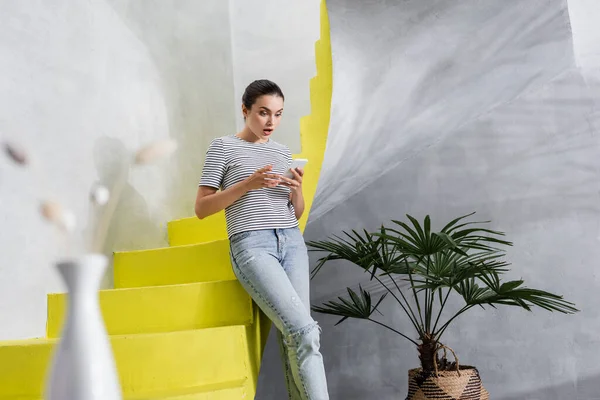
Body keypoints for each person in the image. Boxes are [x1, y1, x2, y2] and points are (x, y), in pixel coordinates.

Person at [194, 79, 329, 400]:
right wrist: (247, 184)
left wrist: (297, 190)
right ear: (245, 110)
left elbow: (293, 212)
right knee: (305, 331)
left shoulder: (282, 153)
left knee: (296, 337)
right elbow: (201, 208)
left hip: (291, 243)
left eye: (278, 114)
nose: (271, 122)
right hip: (253, 245)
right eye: (263, 113)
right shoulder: (223, 147)